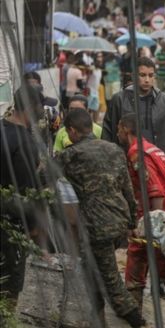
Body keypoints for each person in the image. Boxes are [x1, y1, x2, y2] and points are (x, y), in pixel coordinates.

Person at [57, 109, 145, 327]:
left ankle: (136, 319)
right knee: (91, 270)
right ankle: (98, 319)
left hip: (97, 226)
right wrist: (132, 222)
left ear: (72, 131)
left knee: (109, 277)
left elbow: (40, 175)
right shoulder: (114, 149)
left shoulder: (71, 154)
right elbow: (128, 188)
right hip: (119, 219)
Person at [116, 113, 165, 317]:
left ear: (125, 128)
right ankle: (133, 311)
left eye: (118, 129)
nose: (117, 134)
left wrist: (153, 224)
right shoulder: (152, 148)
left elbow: (154, 189)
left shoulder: (136, 153)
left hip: (159, 213)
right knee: (136, 254)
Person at [102, 57, 165, 189]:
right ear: (133, 76)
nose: (147, 80)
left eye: (150, 75)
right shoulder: (119, 100)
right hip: (128, 166)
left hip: (159, 165)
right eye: (142, 75)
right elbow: (108, 135)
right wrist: (109, 167)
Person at [0, 84, 47, 310]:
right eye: (40, 106)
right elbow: (27, 192)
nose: (43, 111)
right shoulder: (26, 143)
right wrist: (33, 226)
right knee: (10, 284)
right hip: (12, 222)